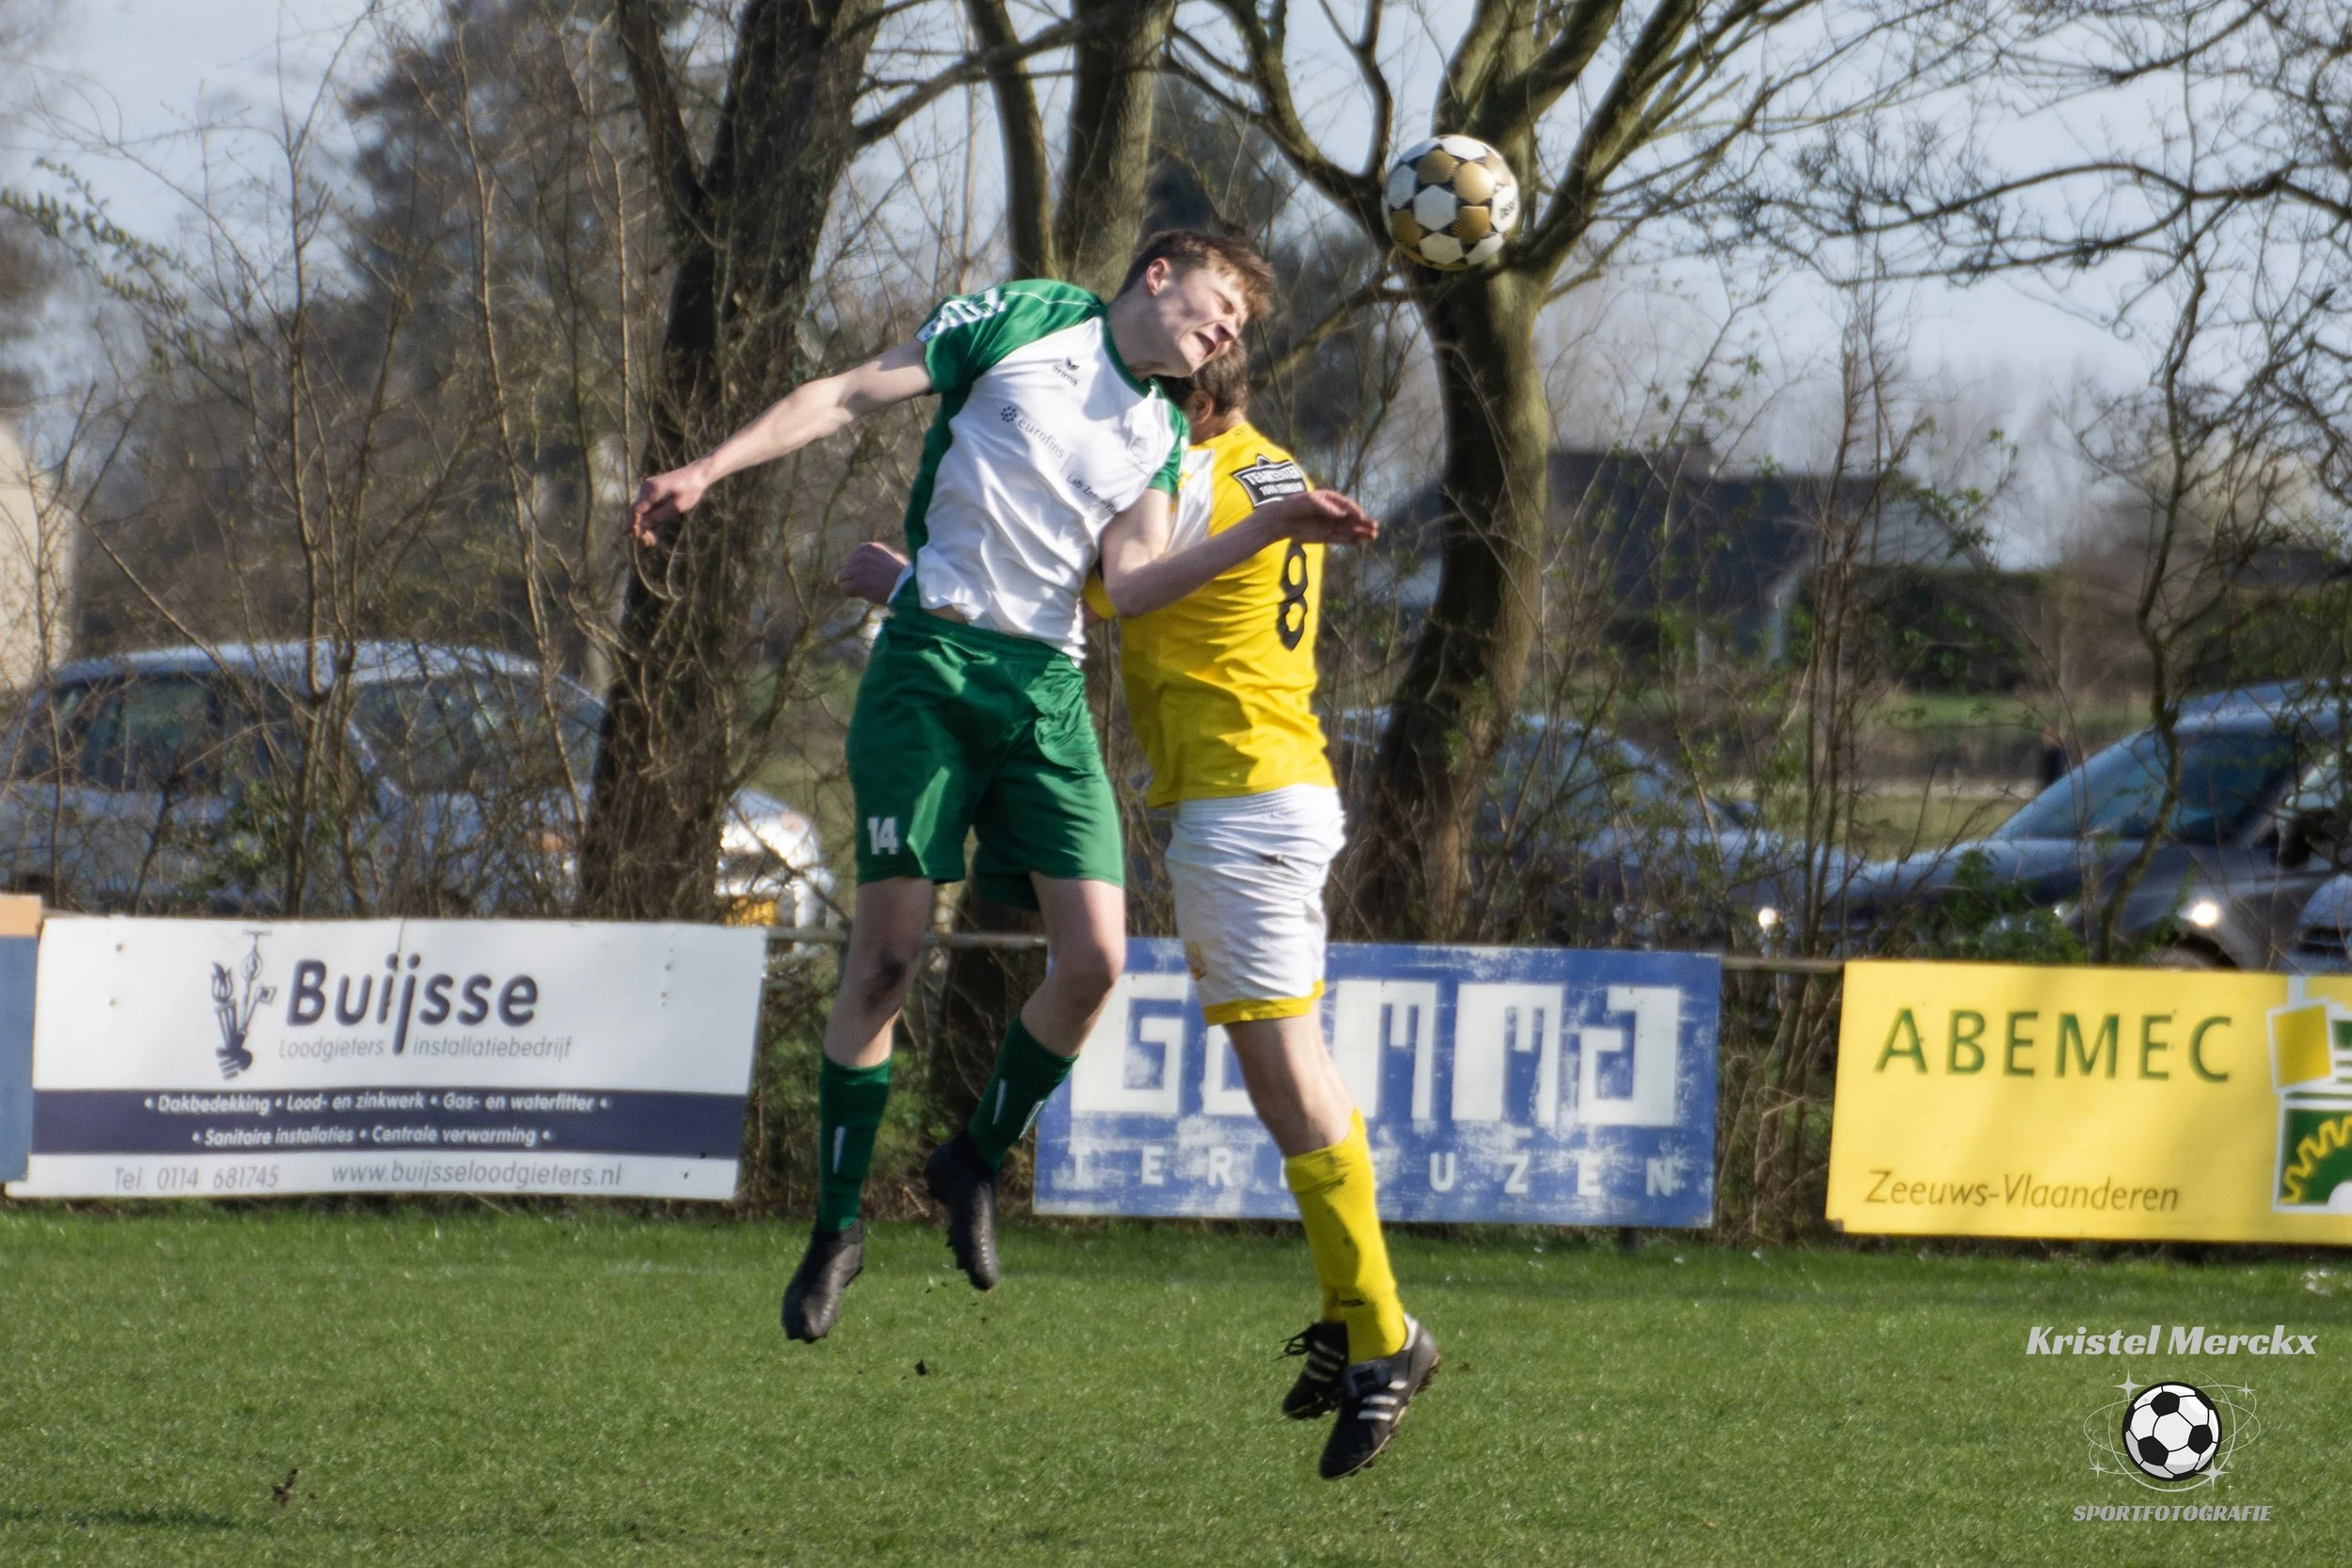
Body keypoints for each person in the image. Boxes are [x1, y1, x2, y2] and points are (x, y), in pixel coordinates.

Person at [624, 231, 1377, 1349]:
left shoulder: (1163, 431)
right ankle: (836, 1227)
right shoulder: (1028, 319)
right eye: (1220, 304)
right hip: (929, 668)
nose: (1227, 331)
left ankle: (972, 1157)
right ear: (1158, 275)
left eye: (1239, 327)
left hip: (1045, 689)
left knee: (1096, 962)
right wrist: (707, 467)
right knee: (887, 959)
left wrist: (1269, 522)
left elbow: (1134, 585)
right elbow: (846, 392)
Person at [837, 347, 1434, 1481]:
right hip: (1267, 789)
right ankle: (1353, 1316)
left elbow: (1070, 589)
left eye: (1148, 400)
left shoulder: (1193, 479)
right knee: (1289, 1075)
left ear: (1193, 401)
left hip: (1246, 801)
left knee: (1289, 1078)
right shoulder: (1266, 465)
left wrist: (911, 586)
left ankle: (1383, 1332)